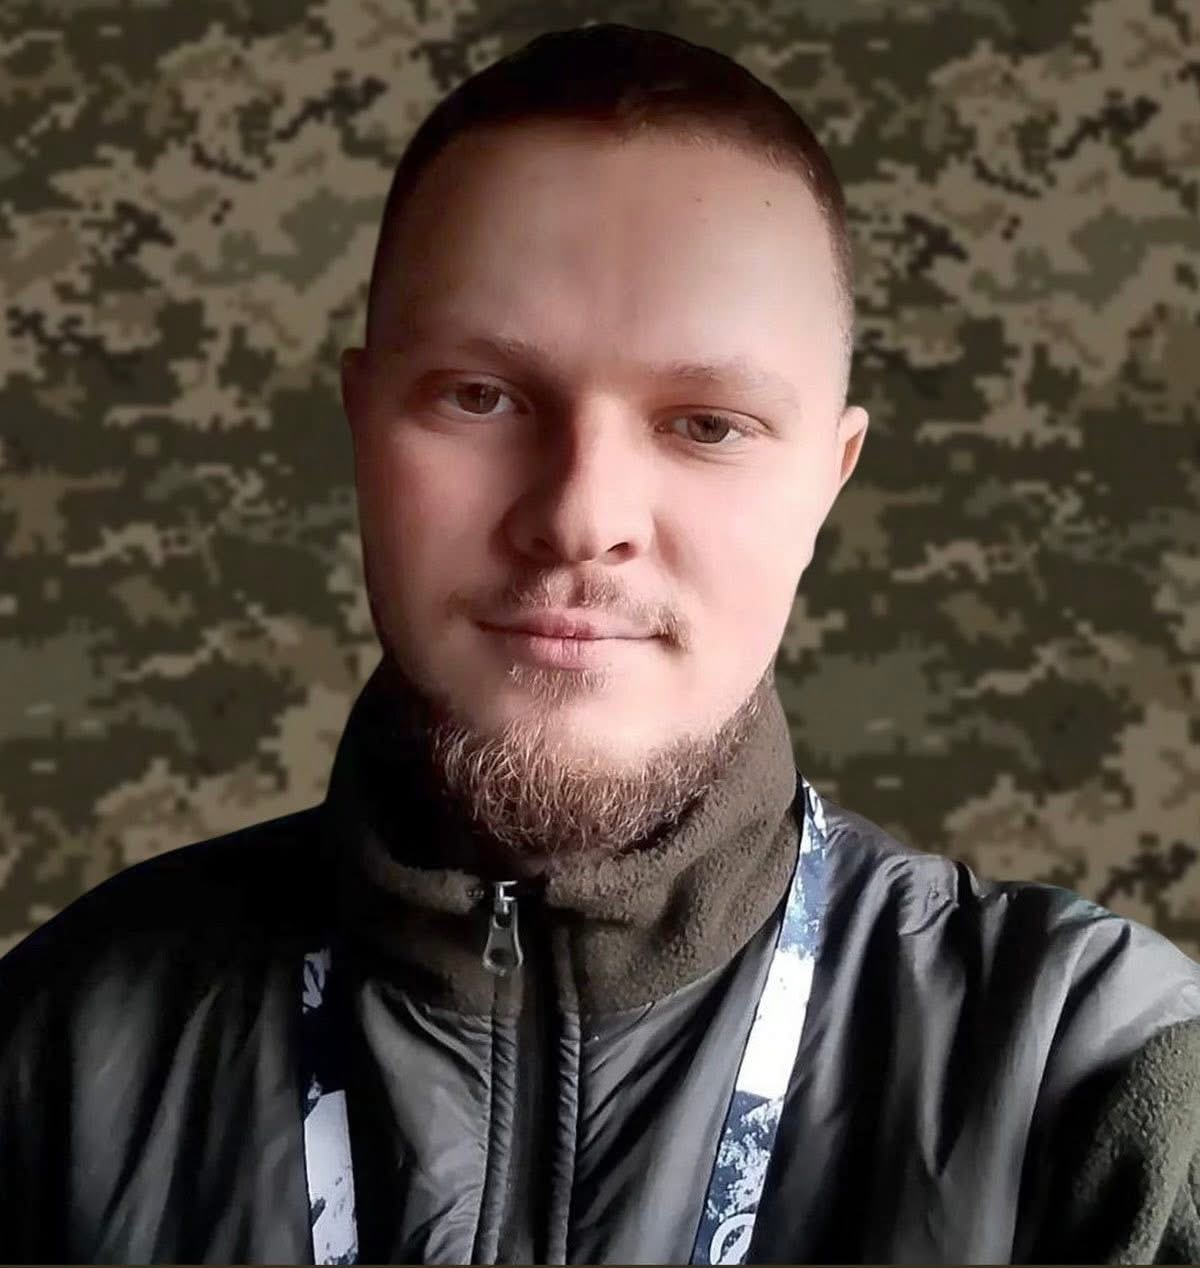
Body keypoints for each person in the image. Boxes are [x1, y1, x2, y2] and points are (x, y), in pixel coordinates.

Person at [2, 21, 1198, 1266]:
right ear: (362, 426)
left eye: (708, 423)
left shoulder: (1098, 1074)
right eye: (481, 396)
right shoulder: (55, 1058)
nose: (581, 515)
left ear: (829, 479)